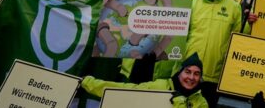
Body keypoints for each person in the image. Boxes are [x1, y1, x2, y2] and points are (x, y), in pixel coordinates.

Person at [183, 0, 242, 108]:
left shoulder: (234, 7)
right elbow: (182, 37)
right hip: (189, 72)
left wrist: (250, 23)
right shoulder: (192, 4)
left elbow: (238, 38)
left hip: (214, 75)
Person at [81, 53, 209, 108]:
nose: (191, 77)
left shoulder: (201, 102)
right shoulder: (161, 87)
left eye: (197, 74)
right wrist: (89, 83)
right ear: (179, 72)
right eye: (187, 72)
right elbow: (125, 90)